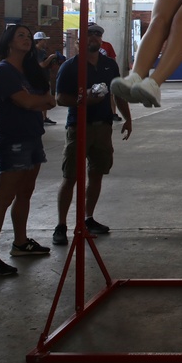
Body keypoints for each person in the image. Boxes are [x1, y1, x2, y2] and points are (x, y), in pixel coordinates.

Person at [0, 24, 57, 277]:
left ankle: (21, 243)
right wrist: (39, 102)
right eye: (20, 36)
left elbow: (48, 100)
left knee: (25, 192)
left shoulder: (31, 70)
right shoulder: (3, 71)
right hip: (12, 140)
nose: (26, 39)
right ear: (8, 42)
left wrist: (39, 101)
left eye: (28, 36)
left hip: (33, 136)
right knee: (4, 197)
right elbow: (26, 101)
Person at [53, 23, 133, 246]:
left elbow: (118, 94)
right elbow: (60, 98)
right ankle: (61, 225)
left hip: (103, 127)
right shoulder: (70, 67)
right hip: (79, 127)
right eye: (90, 34)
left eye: (98, 34)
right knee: (70, 176)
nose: (94, 38)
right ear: (80, 40)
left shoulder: (109, 65)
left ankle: (88, 218)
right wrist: (84, 99)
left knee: (96, 173)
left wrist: (127, 118)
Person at [32, 31, 61, 125]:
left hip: (44, 77)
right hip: (39, 78)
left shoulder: (42, 51)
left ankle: (44, 117)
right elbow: (42, 64)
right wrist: (51, 57)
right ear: (38, 41)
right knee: (41, 98)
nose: (45, 42)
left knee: (46, 97)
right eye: (44, 40)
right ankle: (39, 117)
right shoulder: (36, 51)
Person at [97, 35, 124, 122]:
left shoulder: (107, 45)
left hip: (105, 72)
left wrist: (112, 70)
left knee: (110, 94)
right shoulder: (88, 46)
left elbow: (112, 58)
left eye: (97, 34)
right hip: (95, 72)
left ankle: (113, 113)